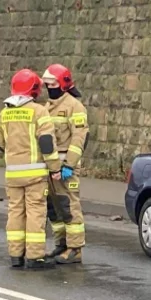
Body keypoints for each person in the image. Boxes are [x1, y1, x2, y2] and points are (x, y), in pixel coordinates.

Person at [0, 69, 63, 270]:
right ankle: (34, 257)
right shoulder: (38, 111)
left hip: (13, 174)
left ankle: (16, 255)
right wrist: (55, 167)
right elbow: (47, 144)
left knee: (15, 212)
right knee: (35, 214)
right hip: (34, 175)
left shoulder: (4, 112)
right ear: (34, 89)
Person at [41, 64, 89, 264]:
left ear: (63, 84)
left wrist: (69, 164)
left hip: (66, 168)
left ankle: (75, 249)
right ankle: (61, 244)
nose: (49, 88)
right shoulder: (46, 106)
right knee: (54, 208)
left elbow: (79, 138)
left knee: (69, 207)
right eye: (46, 85)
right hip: (50, 168)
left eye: (52, 84)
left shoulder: (74, 107)